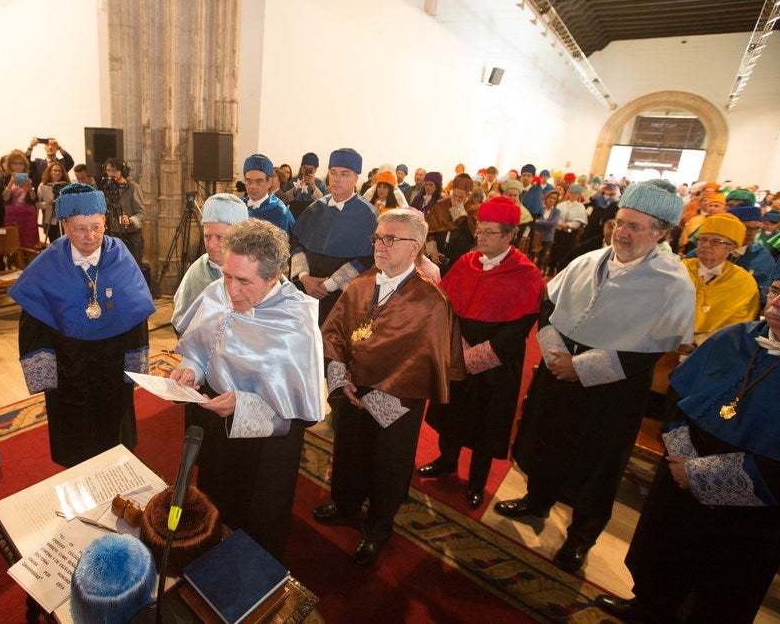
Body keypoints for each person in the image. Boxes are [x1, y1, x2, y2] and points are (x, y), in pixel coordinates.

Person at [496, 180, 695, 573]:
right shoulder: (589, 259)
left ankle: (579, 539)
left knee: (597, 466)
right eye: (620, 222)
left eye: (636, 227)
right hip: (558, 371)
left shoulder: (672, 284)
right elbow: (549, 305)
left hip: (612, 392)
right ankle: (537, 500)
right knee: (548, 442)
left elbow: (650, 351)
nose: (622, 232)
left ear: (661, 233)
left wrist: (581, 368)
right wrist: (555, 354)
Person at [596, 248, 780, 623]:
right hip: (682, 474)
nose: (779, 302)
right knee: (665, 556)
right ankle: (646, 609)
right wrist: (681, 457)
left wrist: (700, 474)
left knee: (721, 589)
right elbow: (677, 399)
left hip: (751, 504)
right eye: (777, 290)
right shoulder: (733, 339)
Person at [313, 208, 465, 567]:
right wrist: (339, 375)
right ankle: (346, 502)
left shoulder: (431, 300)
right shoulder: (363, 282)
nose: (380, 245)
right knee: (349, 449)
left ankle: (378, 527)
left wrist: (383, 397)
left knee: (388, 463)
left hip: (398, 399)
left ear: (415, 247)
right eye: (378, 237)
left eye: (390, 239)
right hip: (352, 388)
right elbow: (333, 330)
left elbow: (426, 360)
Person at [170, 219, 324, 559]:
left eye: (244, 281)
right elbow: (199, 348)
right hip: (214, 418)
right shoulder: (218, 292)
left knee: (253, 519)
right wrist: (190, 370)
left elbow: (299, 413)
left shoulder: (295, 322)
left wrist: (241, 405)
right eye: (227, 275)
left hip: (264, 447)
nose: (231, 290)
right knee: (212, 494)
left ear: (273, 278)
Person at [9, 183, 155, 467]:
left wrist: (136, 367)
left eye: (96, 227)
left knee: (115, 429)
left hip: (113, 366)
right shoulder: (48, 262)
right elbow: (34, 324)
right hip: (68, 369)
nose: (90, 236)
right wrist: (44, 377)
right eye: (79, 228)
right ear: (64, 225)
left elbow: (136, 315)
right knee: (74, 435)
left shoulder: (120, 255)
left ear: (105, 222)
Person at [419, 196, 544, 509]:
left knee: (486, 425)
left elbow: (521, 326)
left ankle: (476, 482)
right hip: (458, 350)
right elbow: (446, 306)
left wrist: (480, 355)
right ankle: (447, 460)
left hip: (498, 363)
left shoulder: (526, 273)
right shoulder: (466, 262)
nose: (481, 238)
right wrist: (457, 347)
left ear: (509, 237)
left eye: (489, 233)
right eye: (480, 231)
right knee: (452, 412)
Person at [291, 148, 378, 325]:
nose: (337, 179)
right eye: (333, 173)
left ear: (356, 178)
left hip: (339, 296)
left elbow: (369, 257)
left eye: (344, 174)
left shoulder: (367, 214)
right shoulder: (315, 207)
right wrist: (304, 277)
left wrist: (329, 285)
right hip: (305, 291)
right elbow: (295, 241)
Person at [679, 213, 759, 353]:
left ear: (731, 248)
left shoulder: (743, 282)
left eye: (716, 241)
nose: (706, 245)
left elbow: (740, 325)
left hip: (715, 351)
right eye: (702, 239)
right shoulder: (679, 269)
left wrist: (700, 341)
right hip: (667, 345)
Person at [171, 193, 248, 332]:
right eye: (207, 237)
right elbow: (183, 327)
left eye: (220, 237)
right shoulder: (197, 273)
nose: (211, 245)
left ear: (240, 238)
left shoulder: (257, 268)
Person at [95, 158, 146, 265]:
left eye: (114, 170)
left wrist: (130, 220)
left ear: (122, 171)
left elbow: (142, 213)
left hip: (132, 235)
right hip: (114, 234)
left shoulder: (133, 188)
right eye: (108, 170)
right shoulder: (106, 188)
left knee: (133, 267)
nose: (111, 173)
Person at [426, 173, 477, 275]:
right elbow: (429, 232)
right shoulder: (440, 205)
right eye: (455, 195)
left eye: (461, 197)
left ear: (468, 195)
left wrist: (457, 209)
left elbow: (472, 235)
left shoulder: (474, 209)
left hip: (460, 260)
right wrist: (433, 252)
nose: (456, 199)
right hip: (437, 257)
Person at [241, 153, 295, 233]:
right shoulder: (239, 205)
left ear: (269, 182)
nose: (253, 186)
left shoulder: (279, 211)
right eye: (249, 181)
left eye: (259, 181)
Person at [2, 152, 40, 248]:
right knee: (13, 243)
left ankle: (29, 262)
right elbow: (5, 198)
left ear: (25, 165)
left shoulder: (30, 177)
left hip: (28, 216)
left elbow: (34, 198)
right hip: (12, 215)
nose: (18, 166)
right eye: (14, 163)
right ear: (10, 165)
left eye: (20, 163)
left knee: (30, 243)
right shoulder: (5, 178)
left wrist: (30, 187)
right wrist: (10, 184)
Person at [37, 162, 71, 243]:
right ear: (50, 172)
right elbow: (37, 204)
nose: (57, 173)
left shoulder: (67, 186)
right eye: (55, 170)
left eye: (60, 171)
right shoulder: (43, 186)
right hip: (50, 219)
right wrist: (48, 204)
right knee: (54, 242)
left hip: (65, 219)